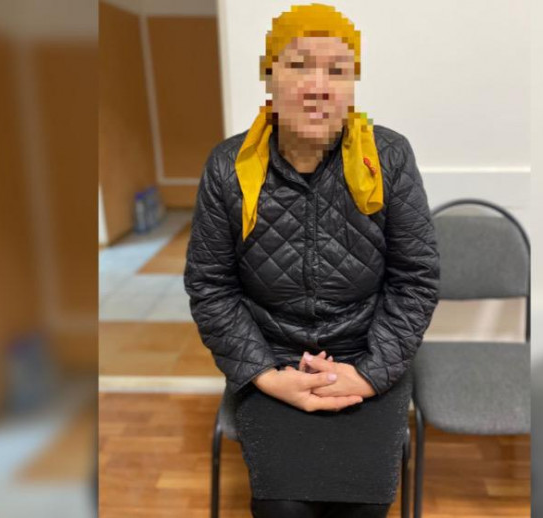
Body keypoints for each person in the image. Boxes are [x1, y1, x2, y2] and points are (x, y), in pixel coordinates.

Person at [184, 4, 440, 517]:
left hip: (368, 354)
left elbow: (416, 280)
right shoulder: (227, 168)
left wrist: (369, 373)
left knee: (364, 507)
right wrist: (266, 374)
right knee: (283, 508)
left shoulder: (388, 157)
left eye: (337, 70)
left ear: (351, 87)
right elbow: (211, 287)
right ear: (270, 78)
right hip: (272, 357)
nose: (318, 87)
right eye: (299, 65)